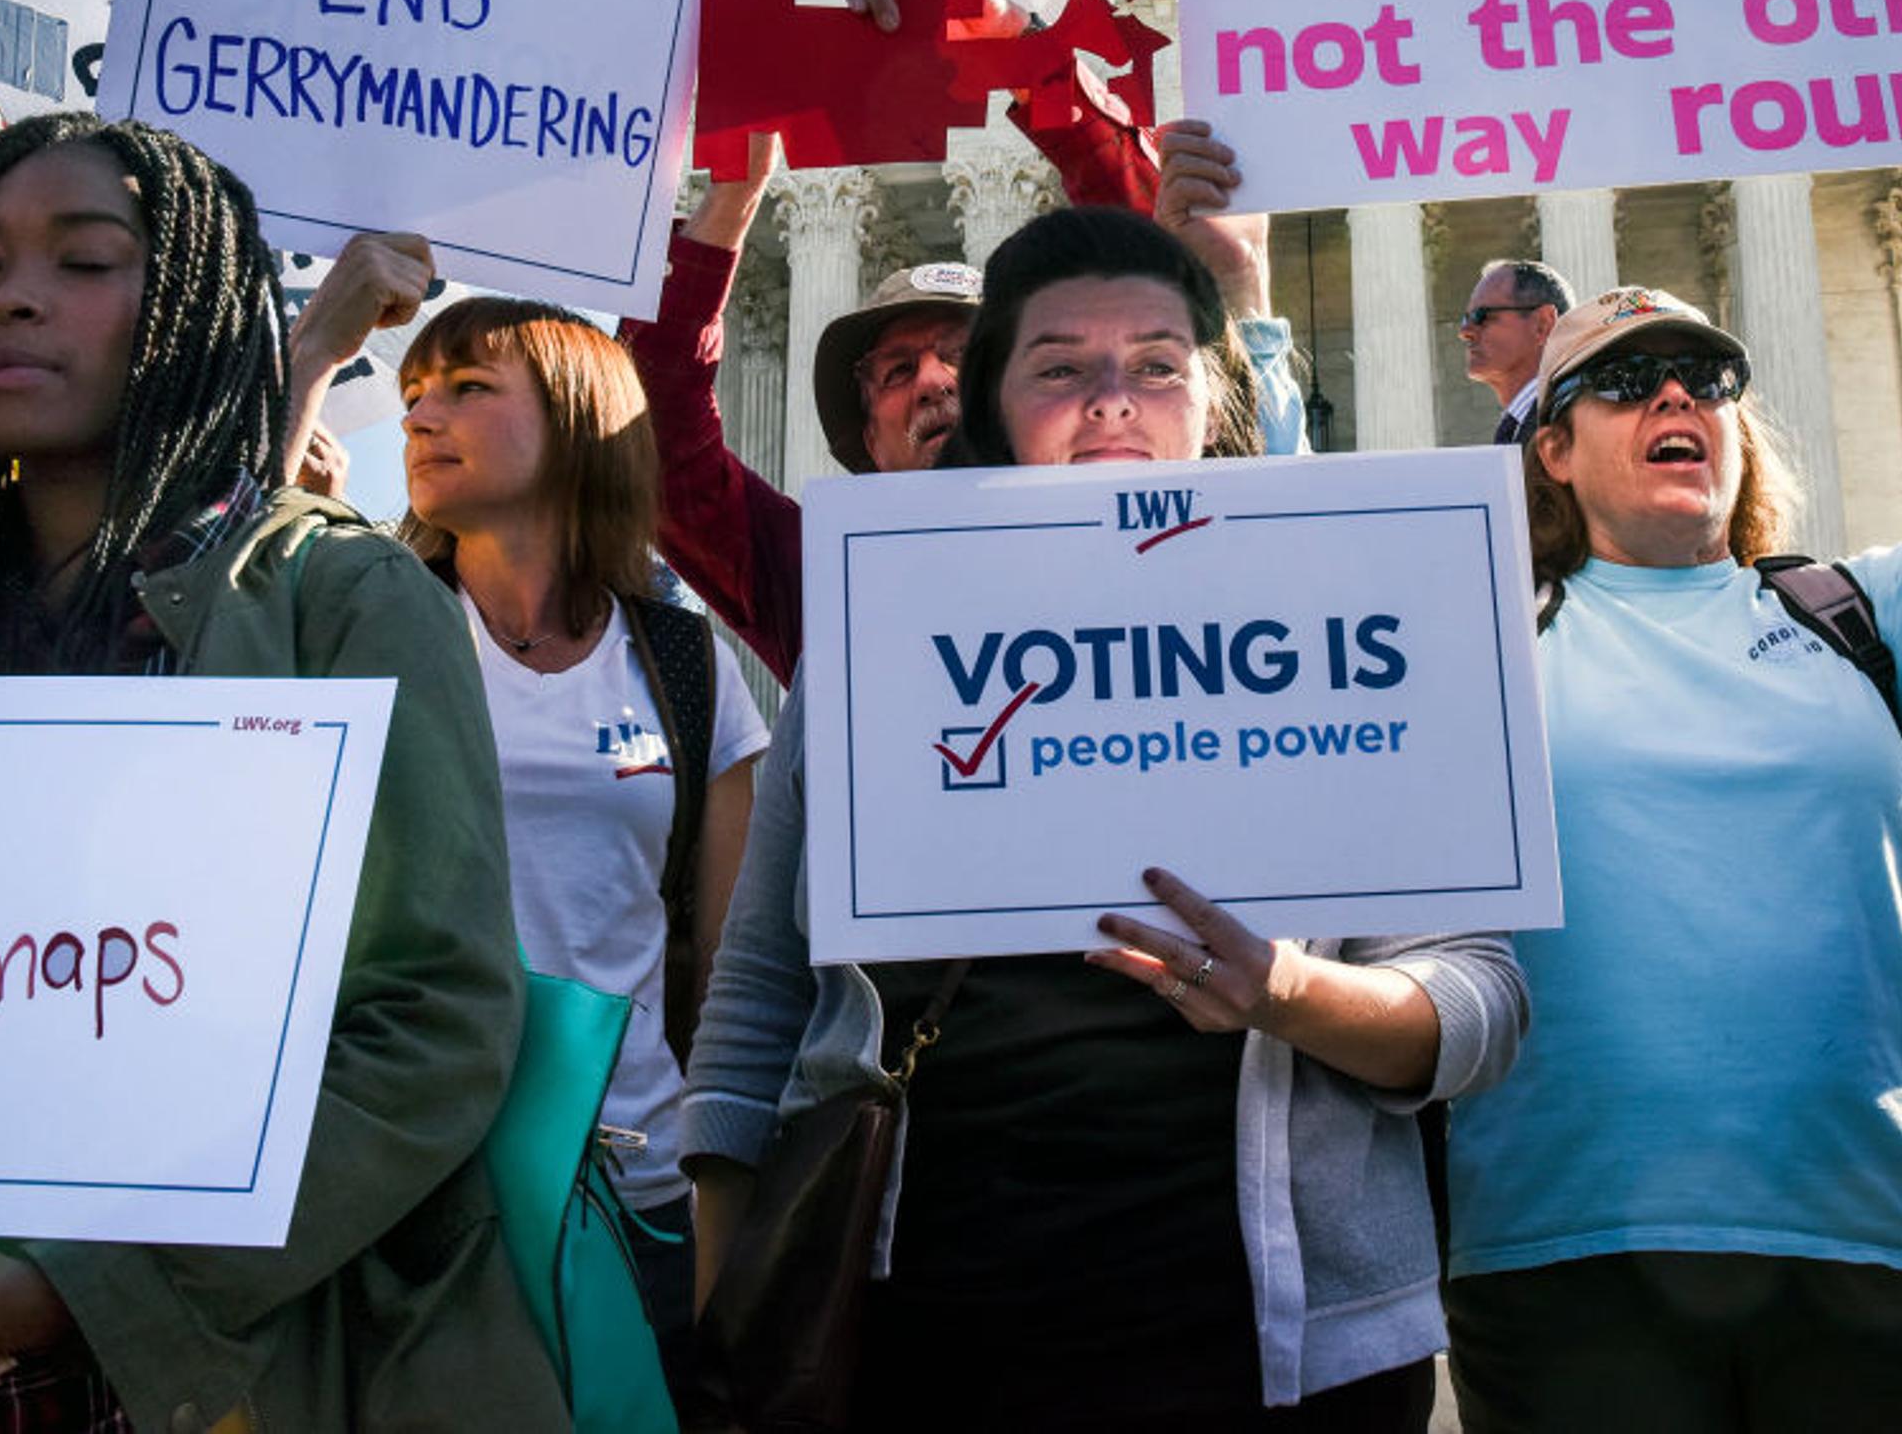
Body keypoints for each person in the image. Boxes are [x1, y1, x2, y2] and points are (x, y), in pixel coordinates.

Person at [682, 207, 1528, 1431]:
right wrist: (733, 1317)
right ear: (994, 406)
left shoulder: (1355, 628)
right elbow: (761, 988)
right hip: (913, 1328)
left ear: (1215, 398)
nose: (1112, 401)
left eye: (1157, 367)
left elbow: (1481, 1008)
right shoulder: (880, 632)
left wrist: (1289, 996)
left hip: (1277, 1352)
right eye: (1062, 368)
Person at [0, 112, 565, 1431]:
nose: (13, 295)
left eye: (83, 262)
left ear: (191, 305)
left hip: (251, 1374)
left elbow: (431, 1027)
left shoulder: (338, 598)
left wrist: (76, 1289)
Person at [283, 263, 771, 1384]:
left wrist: (719, 1215)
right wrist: (312, 357)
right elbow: (214, 615)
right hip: (403, 1190)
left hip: (634, 1192)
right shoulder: (353, 623)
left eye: (465, 386)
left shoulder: (687, 669)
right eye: (415, 390)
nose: (418, 413)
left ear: (576, 421)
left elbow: (736, 984)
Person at [1444, 285, 1902, 1432]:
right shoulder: (1484, 637)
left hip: (1868, 1240)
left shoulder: (1854, 613)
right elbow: (1277, 580)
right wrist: (1246, 309)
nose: (1674, 395)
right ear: (1550, 448)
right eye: (1622, 380)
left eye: (1705, 381)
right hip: (1566, 1259)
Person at [626, 105, 1306, 687]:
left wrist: (1022, 63)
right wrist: (733, 199)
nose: (931, 381)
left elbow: (1168, 349)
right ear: (869, 442)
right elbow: (655, 447)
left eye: (962, 357)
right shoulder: (827, 583)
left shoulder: (1149, 542)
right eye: (895, 373)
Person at [1460, 259, 1572, 444]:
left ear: (1542, 325)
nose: (1465, 332)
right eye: (1466, 320)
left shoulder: (1572, 421)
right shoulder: (1518, 425)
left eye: (1481, 316)